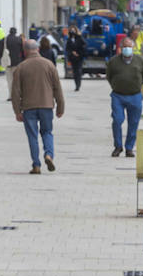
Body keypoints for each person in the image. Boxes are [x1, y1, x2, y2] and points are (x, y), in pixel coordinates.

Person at [10, 39, 65, 174]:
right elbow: (57, 88)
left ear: (25, 51)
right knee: (47, 132)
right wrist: (60, 107)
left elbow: (15, 92)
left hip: (29, 107)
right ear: (38, 49)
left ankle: (36, 165)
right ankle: (49, 155)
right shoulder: (49, 65)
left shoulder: (21, 67)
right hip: (46, 105)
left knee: (32, 136)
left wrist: (17, 111)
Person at [106, 37, 143, 158]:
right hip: (118, 95)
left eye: (129, 47)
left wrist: (136, 85)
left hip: (135, 95)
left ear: (133, 48)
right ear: (121, 48)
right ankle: (118, 146)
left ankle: (129, 148)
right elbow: (109, 76)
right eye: (125, 47)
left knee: (133, 122)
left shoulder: (140, 61)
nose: (127, 49)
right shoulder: (113, 61)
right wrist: (116, 85)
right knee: (117, 120)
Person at [65, 26, 87, 91]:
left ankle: (78, 84)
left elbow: (84, 45)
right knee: (74, 72)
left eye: (73, 30)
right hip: (73, 58)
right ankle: (76, 84)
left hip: (79, 57)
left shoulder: (79, 38)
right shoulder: (69, 39)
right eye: (71, 30)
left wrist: (78, 53)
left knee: (79, 71)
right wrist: (72, 52)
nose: (72, 32)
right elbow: (67, 48)